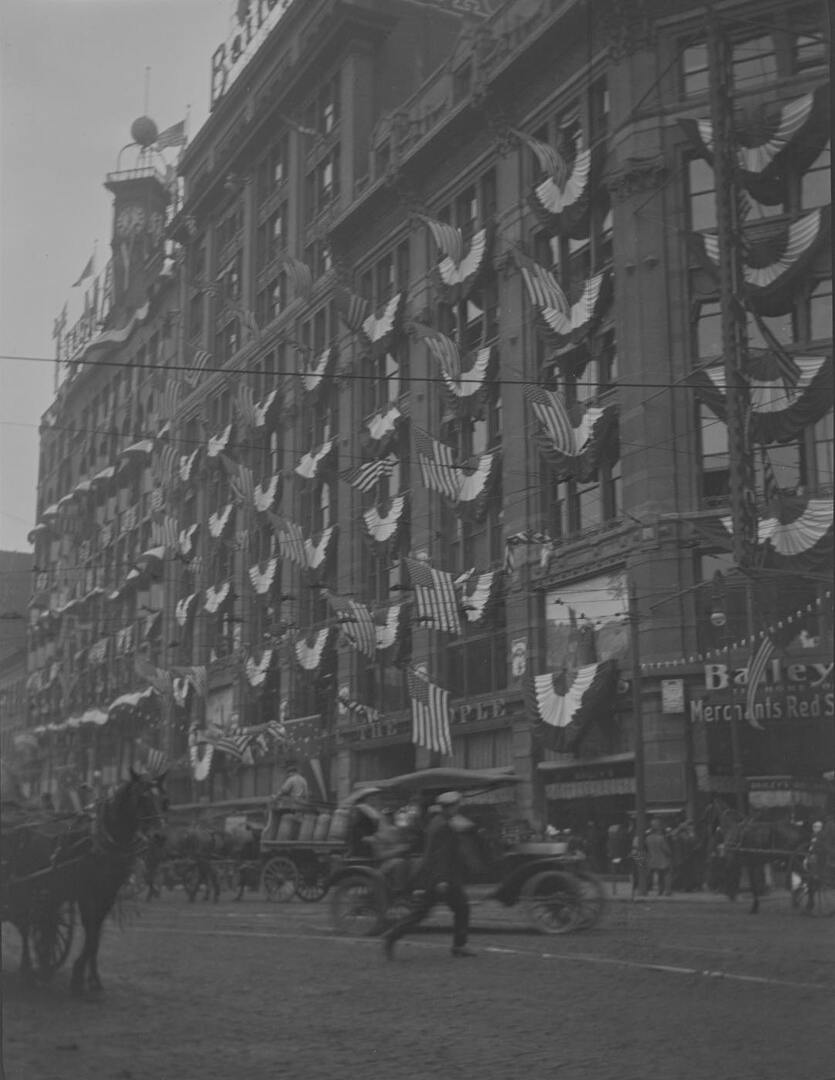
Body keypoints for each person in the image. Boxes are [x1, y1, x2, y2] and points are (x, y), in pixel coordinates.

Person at [382, 791, 476, 960]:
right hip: (440, 878)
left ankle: (459, 946)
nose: (457, 809)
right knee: (424, 913)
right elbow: (440, 855)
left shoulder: (439, 822)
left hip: (440, 876)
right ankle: (392, 935)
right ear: (451, 807)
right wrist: (441, 880)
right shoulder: (442, 826)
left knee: (459, 908)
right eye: (456, 806)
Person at [645, 817, 673, 896]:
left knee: (656, 875)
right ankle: (667, 891)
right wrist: (670, 854)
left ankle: (658, 891)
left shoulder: (648, 838)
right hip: (663, 860)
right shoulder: (661, 838)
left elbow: (646, 849)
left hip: (652, 859)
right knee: (666, 875)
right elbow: (667, 850)